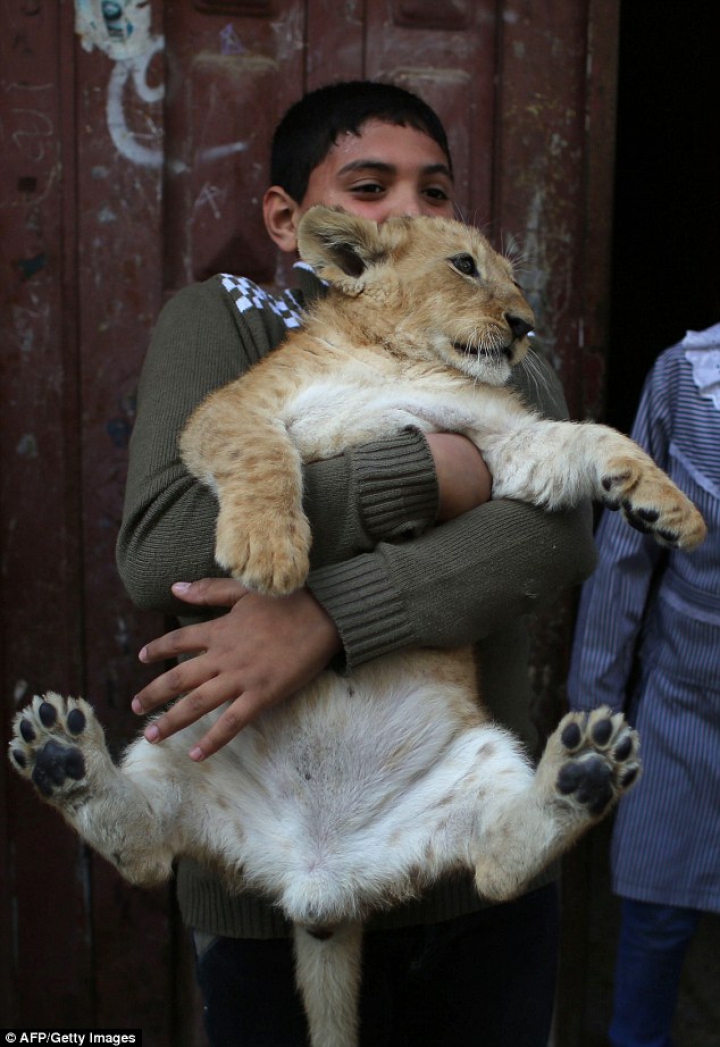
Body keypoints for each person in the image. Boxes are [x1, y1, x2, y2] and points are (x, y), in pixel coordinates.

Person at [117, 81, 596, 1046]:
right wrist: (431, 471)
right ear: (292, 219)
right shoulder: (227, 320)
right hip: (276, 878)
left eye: (436, 192)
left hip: (471, 865)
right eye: (371, 187)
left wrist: (327, 615)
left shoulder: (488, 333)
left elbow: (558, 530)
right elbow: (165, 545)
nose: (410, 214)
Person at [567, 323, 720, 1047]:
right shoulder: (688, 380)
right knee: (655, 927)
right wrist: (593, 718)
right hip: (683, 701)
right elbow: (624, 554)